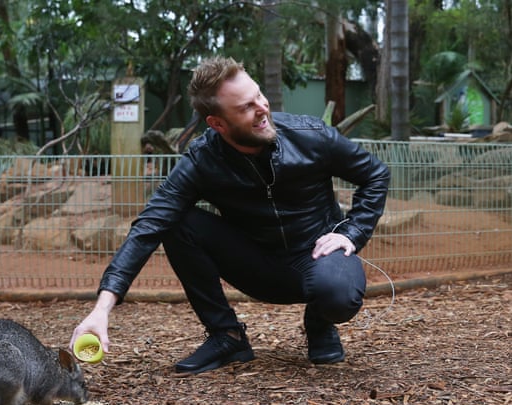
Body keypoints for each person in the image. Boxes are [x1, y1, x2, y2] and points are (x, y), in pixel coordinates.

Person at [71, 56, 390, 375]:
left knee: (338, 295)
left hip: (319, 256)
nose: (262, 108)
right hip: (256, 265)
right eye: (245, 107)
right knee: (176, 221)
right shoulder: (202, 160)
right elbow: (150, 225)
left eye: (259, 96)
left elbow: (375, 174)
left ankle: (320, 322)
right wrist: (102, 309)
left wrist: (351, 232)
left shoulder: (310, 135)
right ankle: (228, 336)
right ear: (218, 124)